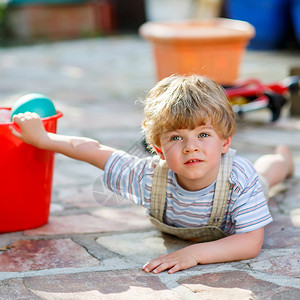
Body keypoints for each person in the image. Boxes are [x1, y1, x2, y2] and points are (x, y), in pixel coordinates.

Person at [10, 75, 294, 274]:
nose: (191, 146)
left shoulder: (239, 180)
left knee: (265, 177)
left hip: (246, 186)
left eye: (203, 134)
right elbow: (94, 150)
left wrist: (193, 254)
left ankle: (283, 159)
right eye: (176, 138)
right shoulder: (148, 176)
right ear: (158, 149)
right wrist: (45, 140)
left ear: (225, 143)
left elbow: (250, 241)